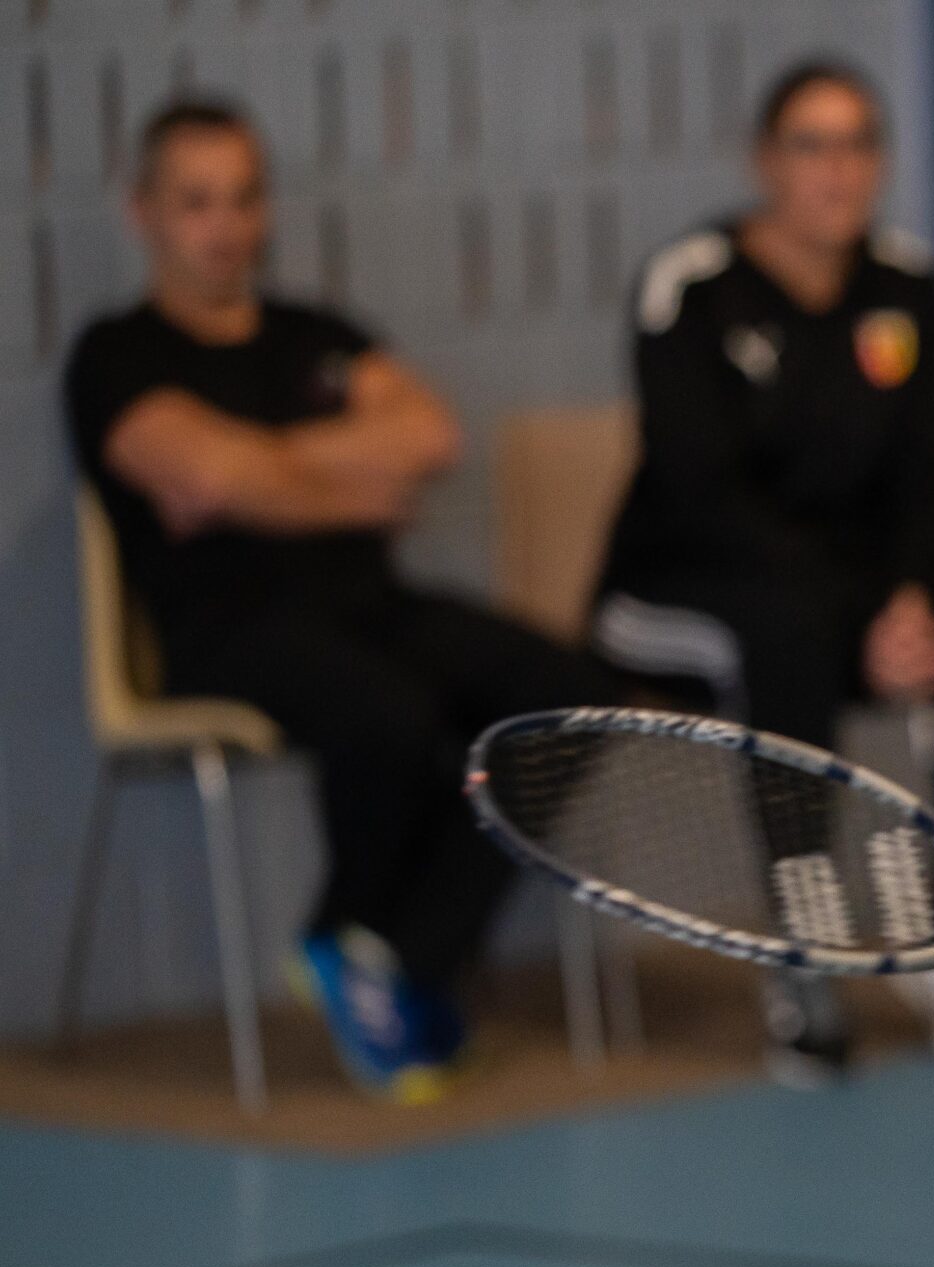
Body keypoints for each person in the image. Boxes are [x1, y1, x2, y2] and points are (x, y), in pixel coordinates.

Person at [63, 98, 626, 1103]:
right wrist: (335, 479)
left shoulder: (313, 334)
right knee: (391, 720)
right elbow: (201, 471)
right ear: (143, 211)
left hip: (370, 606)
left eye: (242, 199)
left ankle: (387, 951)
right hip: (225, 629)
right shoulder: (116, 357)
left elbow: (427, 438)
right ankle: (365, 948)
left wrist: (257, 471)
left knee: (560, 697)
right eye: (196, 203)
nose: (224, 226)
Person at [592, 59, 934, 1084]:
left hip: (859, 590)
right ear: (765, 161)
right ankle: (802, 944)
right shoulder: (691, 289)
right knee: (783, 629)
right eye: (811, 144)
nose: (837, 170)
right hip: (681, 586)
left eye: (858, 144)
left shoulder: (912, 289)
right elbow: (701, 490)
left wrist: (912, 596)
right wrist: (862, 612)